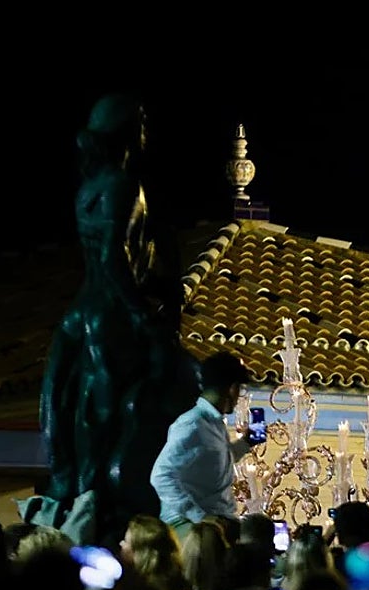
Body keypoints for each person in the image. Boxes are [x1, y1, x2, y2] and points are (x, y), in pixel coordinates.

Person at [36, 93, 197, 547]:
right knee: (107, 419)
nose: (147, 129)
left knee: (75, 413)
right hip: (109, 313)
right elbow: (114, 258)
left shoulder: (87, 188)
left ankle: (76, 492)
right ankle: (99, 503)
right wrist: (142, 314)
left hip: (80, 310)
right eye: (141, 122)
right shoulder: (124, 185)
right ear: (127, 132)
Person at [151, 352, 255, 540]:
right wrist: (201, 518)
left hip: (218, 521)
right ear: (232, 389)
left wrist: (246, 443)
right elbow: (161, 476)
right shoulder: (192, 425)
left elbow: (216, 461)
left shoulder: (214, 424)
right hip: (191, 527)